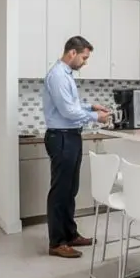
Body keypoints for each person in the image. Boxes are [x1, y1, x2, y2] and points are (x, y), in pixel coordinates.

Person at [43, 36, 110, 259]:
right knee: (60, 191)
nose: (85, 62)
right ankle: (57, 242)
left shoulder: (65, 75)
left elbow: (71, 105)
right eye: (84, 57)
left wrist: (91, 106)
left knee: (70, 189)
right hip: (61, 137)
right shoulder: (58, 76)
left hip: (70, 136)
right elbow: (68, 112)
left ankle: (70, 234)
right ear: (72, 53)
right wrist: (95, 117)